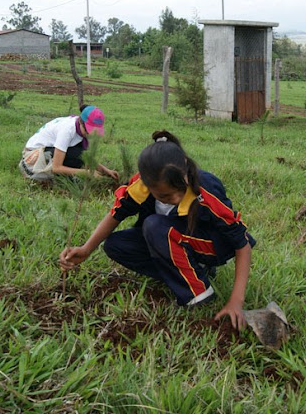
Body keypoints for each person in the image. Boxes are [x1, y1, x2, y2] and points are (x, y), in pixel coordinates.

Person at [59, 130, 255, 330]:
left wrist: (236, 301)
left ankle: (198, 293)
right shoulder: (140, 186)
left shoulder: (205, 192)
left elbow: (242, 244)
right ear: (147, 185)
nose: (176, 199)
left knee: (155, 225)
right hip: (172, 236)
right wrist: (86, 249)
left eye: (180, 190)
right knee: (116, 245)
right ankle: (191, 272)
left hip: (212, 245)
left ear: (185, 169)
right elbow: (116, 214)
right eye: (166, 196)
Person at [19, 104, 119, 181]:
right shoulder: (67, 130)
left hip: (50, 150)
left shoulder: (78, 129)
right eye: (88, 130)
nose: (89, 134)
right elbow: (56, 168)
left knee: (79, 155)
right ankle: (62, 179)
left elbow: (85, 157)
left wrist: (106, 170)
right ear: (80, 121)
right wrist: (85, 173)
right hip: (33, 156)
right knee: (75, 157)